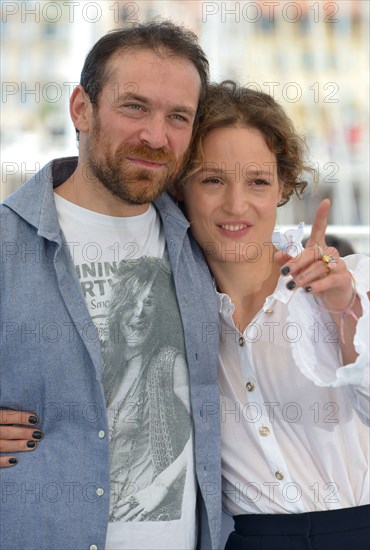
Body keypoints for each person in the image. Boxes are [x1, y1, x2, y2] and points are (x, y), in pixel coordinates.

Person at [0, 22, 221, 550]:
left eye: (178, 117)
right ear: (81, 108)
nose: (155, 136)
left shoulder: (206, 245)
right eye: (134, 107)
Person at [177, 81, 369, 549]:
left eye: (258, 182)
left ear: (284, 186)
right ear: (180, 188)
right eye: (212, 179)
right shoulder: (172, 306)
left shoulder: (347, 282)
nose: (236, 205)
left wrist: (348, 314)